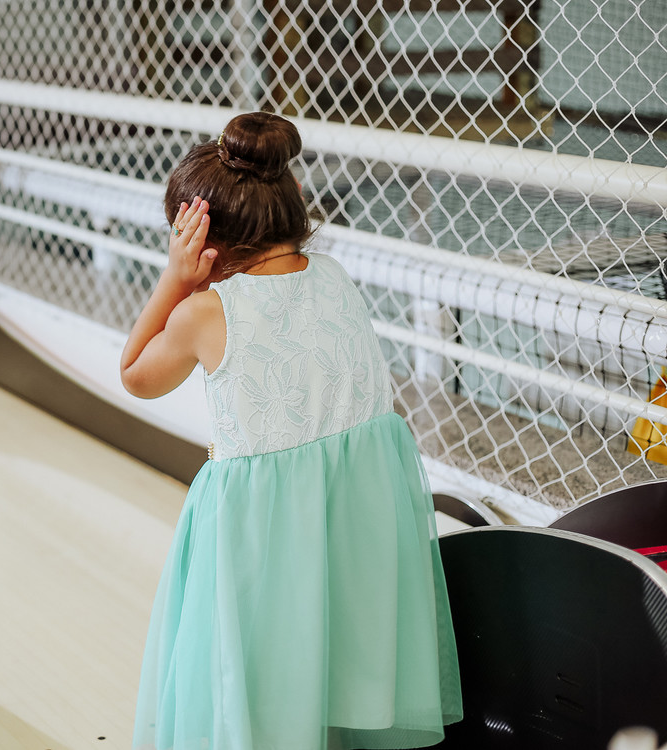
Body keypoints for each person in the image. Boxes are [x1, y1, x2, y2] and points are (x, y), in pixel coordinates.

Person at [120, 112, 463, 750]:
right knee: (329, 663)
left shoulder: (203, 310)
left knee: (255, 677)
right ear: (293, 203)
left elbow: (135, 375)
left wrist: (174, 277)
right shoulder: (332, 277)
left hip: (260, 533)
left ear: (202, 242)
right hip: (355, 523)